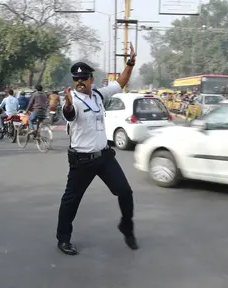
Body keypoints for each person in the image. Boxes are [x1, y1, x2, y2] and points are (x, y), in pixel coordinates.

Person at [57, 42, 137, 256]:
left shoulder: (99, 96)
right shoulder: (71, 99)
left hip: (104, 158)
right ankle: (63, 239)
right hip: (81, 161)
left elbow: (120, 83)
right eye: (76, 79)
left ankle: (126, 226)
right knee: (71, 201)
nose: (80, 82)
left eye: (84, 78)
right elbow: (69, 114)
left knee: (125, 192)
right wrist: (66, 105)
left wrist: (130, 63)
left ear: (91, 79)